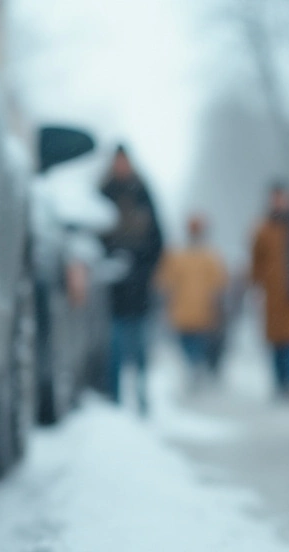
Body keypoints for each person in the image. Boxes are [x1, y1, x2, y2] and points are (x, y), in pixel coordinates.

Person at [100, 145, 164, 415]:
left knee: (139, 347)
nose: (121, 166)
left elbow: (159, 238)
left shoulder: (143, 193)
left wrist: (145, 270)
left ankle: (141, 396)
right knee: (114, 345)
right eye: (118, 162)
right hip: (111, 288)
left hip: (139, 286)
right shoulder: (104, 193)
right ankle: (114, 398)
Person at [250, 183, 289, 402]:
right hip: (273, 294)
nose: (280, 203)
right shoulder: (262, 230)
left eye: (283, 198)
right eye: (276, 198)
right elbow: (256, 262)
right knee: (277, 342)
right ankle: (280, 384)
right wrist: (257, 285)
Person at [157, 216, 229, 388]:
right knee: (188, 340)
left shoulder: (208, 255)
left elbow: (219, 281)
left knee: (195, 340)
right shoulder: (181, 255)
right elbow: (165, 279)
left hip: (198, 309)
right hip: (186, 309)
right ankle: (194, 365)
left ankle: (195, 365)